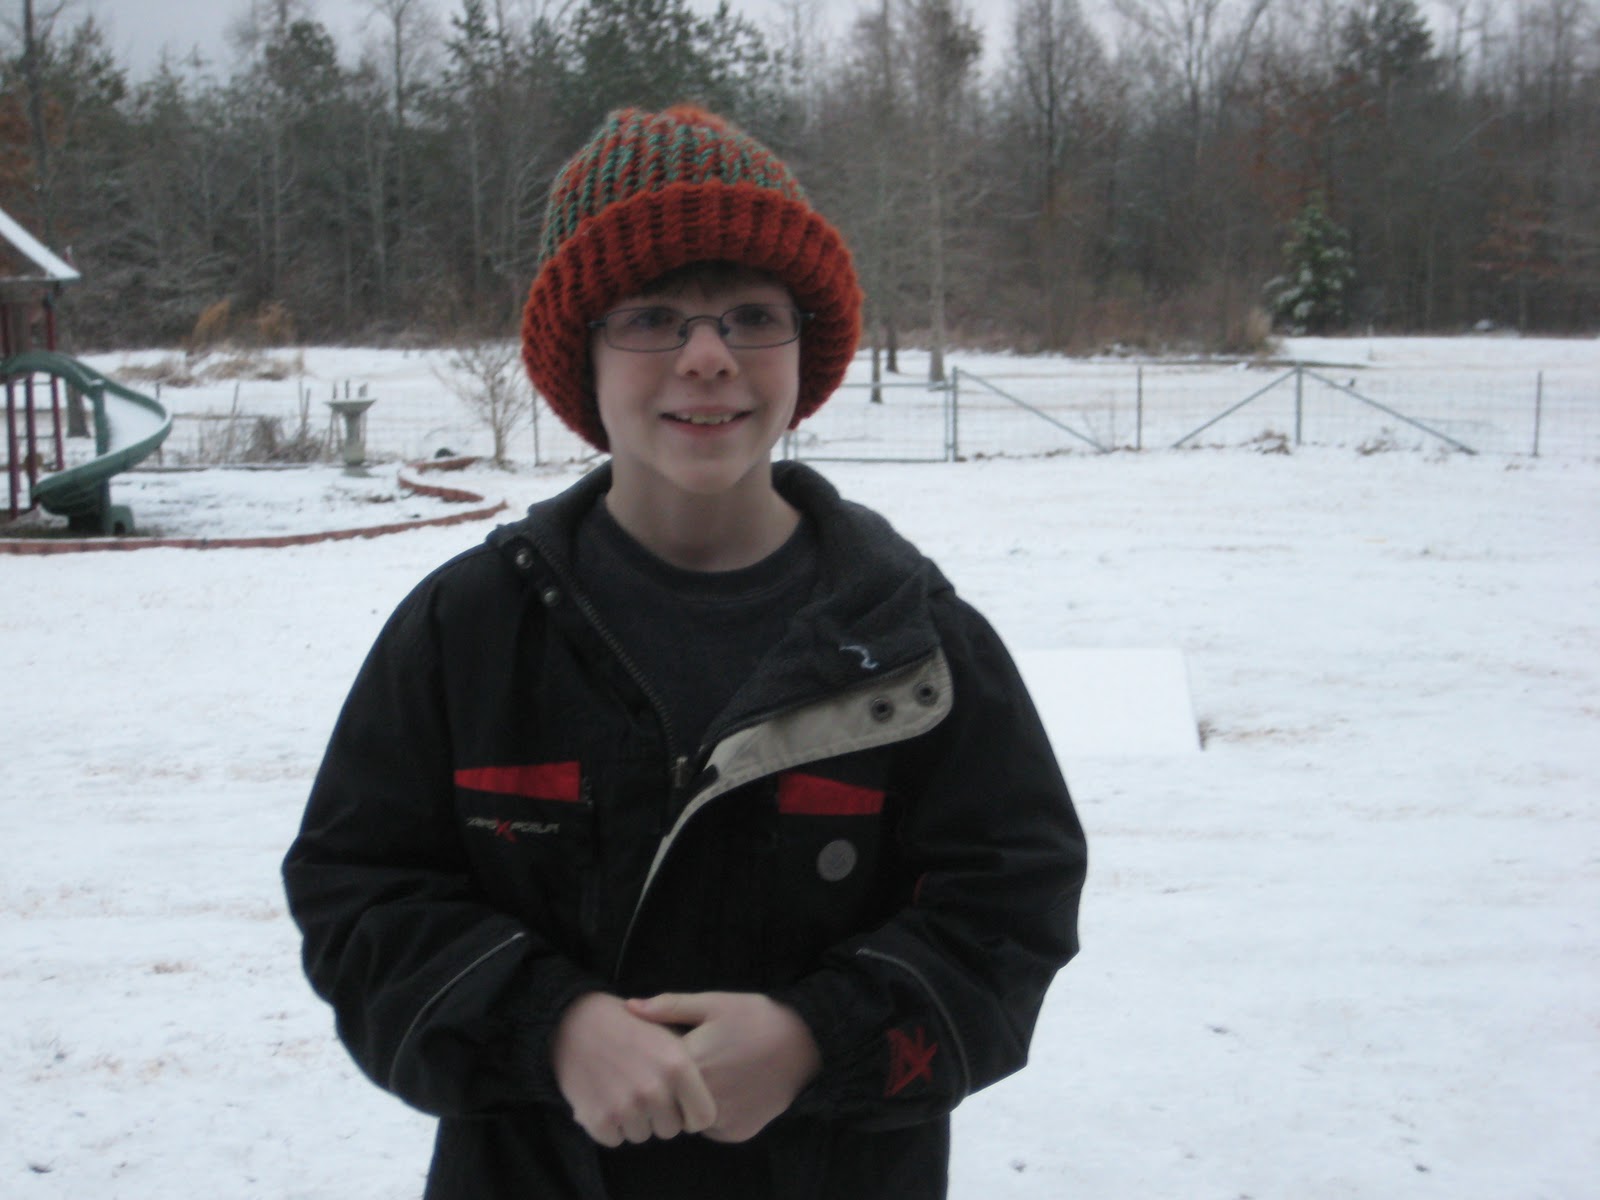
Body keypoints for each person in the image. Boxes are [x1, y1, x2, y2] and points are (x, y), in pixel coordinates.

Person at [283, 104, 1087, 1200]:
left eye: (751, 315)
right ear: (580, 352)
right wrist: (548, 1023)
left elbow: (1010, 914)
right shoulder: (466, 632)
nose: (707, 357)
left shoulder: (915, 648)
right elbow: (358, 896)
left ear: (804, 348)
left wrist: (818, 1039)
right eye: (653, 317)